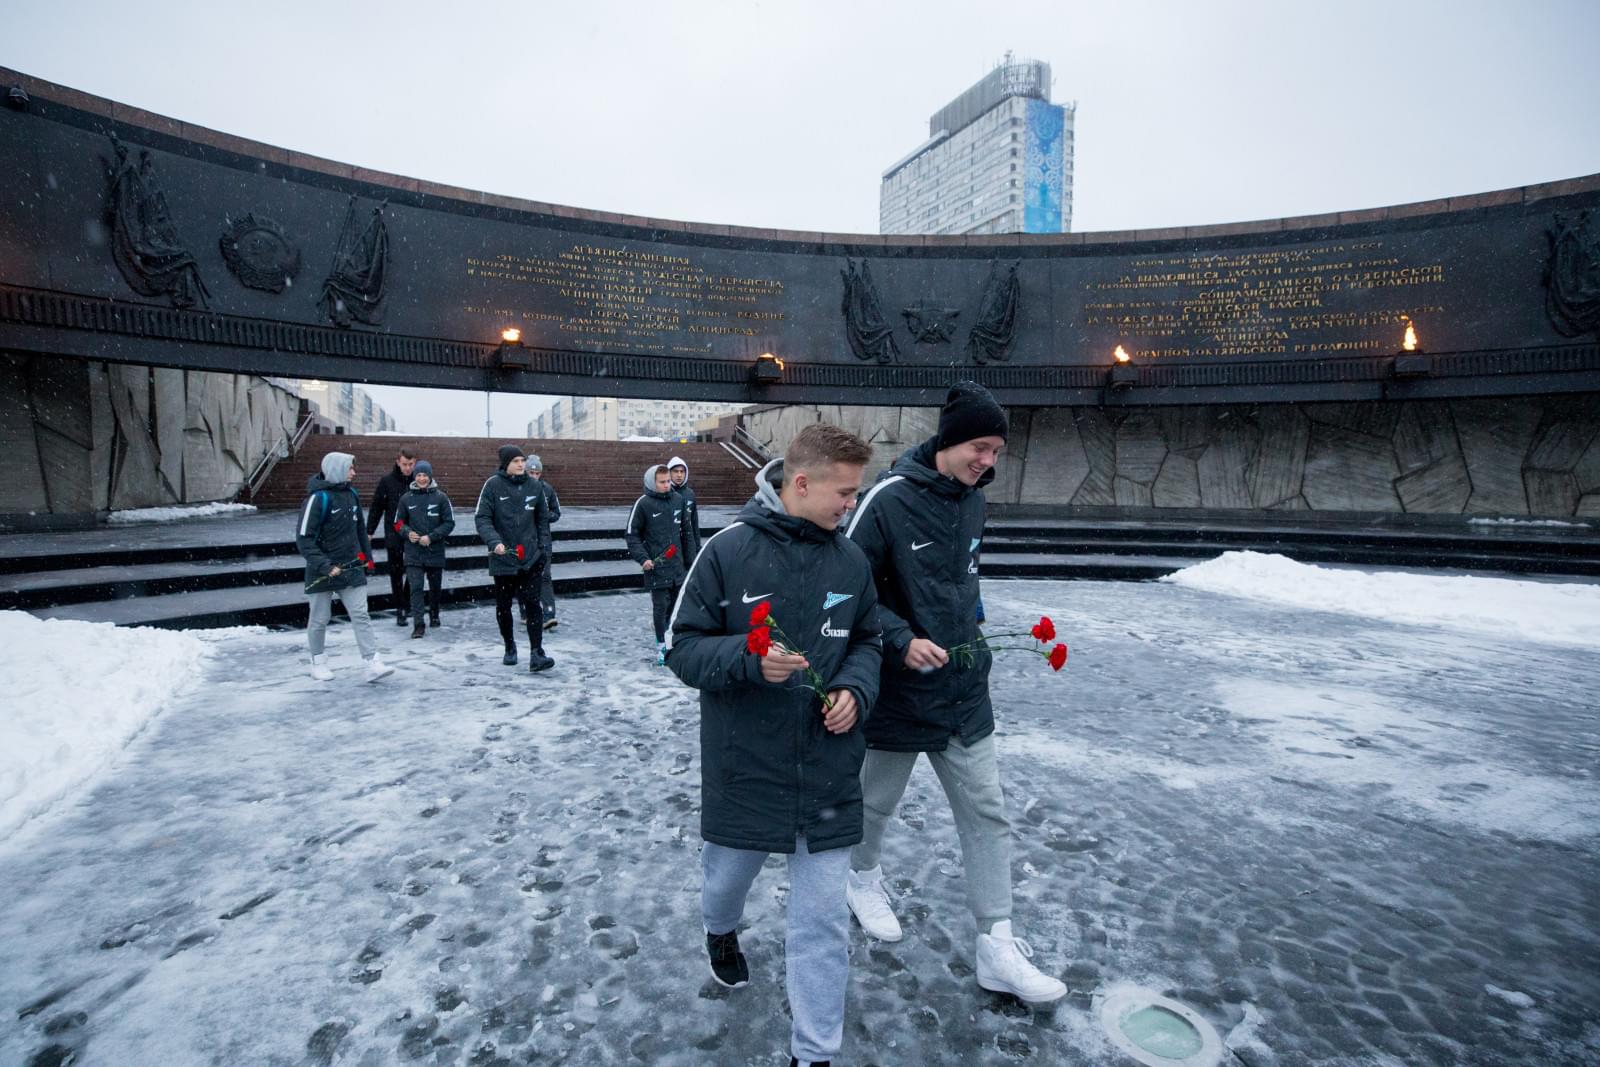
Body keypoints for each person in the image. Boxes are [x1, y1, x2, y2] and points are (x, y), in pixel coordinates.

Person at [842, 381, 1066, 1007]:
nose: (987, 462)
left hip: (965, 688)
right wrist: (897, 637)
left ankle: (997, 945)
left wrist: (974, 626)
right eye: (979, 447)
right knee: (874, 803)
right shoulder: (887, 499)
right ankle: (860, 879)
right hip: (900, 690)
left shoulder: (974, 502)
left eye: (996, 451)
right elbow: (845, 584)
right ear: (947, 440)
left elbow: (964, 582)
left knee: (987, 814)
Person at [665, 423, 883, 1067]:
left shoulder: (851, 559)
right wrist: (749, 658)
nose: (851, 504)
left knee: (820, 925)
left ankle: (814, 1053)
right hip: (747, 765)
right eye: (844, 492)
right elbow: (680, 647)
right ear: (802, 482)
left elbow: (867, 640)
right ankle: (720, 930)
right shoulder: (728, 550)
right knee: (725, 882)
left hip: (829, 773)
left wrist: (854, 690)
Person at [296, 451, 393, 683]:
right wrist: (325, 565)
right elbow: (303, 539)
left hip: (351, 568)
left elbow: (359, 532)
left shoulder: (351, 494)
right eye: (350, 468)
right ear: (338, 469)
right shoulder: (317, 499)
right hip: (323, 570)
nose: (354, 472)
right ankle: (317, 662)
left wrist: (366, 558)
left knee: (360, 614)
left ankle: (372, 662)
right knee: (319, 618)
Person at [473, 444, 555, 672]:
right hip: (503, 558)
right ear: (506, 464)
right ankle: (510, 646)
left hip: (530, 557)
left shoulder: (535, 486)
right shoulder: (492, 486)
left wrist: (541, 549)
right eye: (516, 461)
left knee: (532, 604)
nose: (521, 465)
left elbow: (542, 520)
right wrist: (494, 542)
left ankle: (536, 652)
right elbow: (482, 518)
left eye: (523, 460)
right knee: (504, 606)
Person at [626, 464, 688, 666]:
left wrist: (690, 560)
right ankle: (661, 644)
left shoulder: (679, 500)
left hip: (677, 566)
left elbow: (686, 533)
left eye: (668, 481)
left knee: (677, 607)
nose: (666, 485)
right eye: (662, 482)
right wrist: (643, 558)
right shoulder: (643, 504)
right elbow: (631, 534)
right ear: (652, 483)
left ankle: (673, 641)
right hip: (656, 566)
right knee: (660, 607)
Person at [394, 460, 454, 638]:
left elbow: (449, 523)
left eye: (425, 475)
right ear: (414, 476)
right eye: (418, 475)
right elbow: (397, 523)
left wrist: (432, 536)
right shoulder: (406, 498)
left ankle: (434, 613)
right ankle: (418, 624)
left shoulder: (441, 497)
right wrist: (407, 533)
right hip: (413, 553)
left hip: (434, 551)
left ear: (430, 476)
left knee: (435, 587)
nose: (421, 478)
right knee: (416, 587)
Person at [366, 447, 417, 626]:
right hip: (394, 532)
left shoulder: (419, 480)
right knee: (395, 572)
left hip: (413, 533)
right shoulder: (387, 481)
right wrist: (369, 531)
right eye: (404, 464)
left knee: (414, 569)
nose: (408, 468)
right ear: (398, 462)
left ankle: (407, 600)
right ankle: (400, 608)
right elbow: (376, 507)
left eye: (411, 464)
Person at [527, 453, 561, 630]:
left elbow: (556, 512)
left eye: (537, 473)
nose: (534, 476)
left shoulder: (547, 489)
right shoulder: (520, 489)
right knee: (523, 576)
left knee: (545, 576)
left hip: (543, 540)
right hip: (524, 540)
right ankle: (526, 611)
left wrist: (545, 516)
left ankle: (549, 613)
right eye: (530, 473)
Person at [667, 455, 701, 565]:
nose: (679, 475)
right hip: (669, 544)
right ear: (669, 473)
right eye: (675, 471)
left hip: (688, 544)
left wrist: (697, 545)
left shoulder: (690, 494)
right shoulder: (664, 493)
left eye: (682, 471)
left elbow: (694, 522)